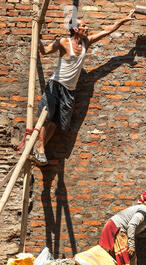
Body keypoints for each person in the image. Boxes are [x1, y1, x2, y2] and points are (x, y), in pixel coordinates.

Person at [32, 10, 136, 166]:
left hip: (69, 90)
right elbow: (45, 51)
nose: (87, 28)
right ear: (75, 29)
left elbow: (107, 31)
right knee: (45, 118)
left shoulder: (87, 42)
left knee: (58, 122)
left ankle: (40, 149)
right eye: (83, 26)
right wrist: (37, 39)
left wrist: (122, 20)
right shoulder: (63, 42)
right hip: (55, 85)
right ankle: (40, 151)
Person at [99, 189, 146, 265]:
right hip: (117, 229)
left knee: (116, 258)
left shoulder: (140, 209)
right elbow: (131, 225)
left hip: (113, 226)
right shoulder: (144, 209)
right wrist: (131, 245)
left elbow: (132, 226)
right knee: (125, 258)